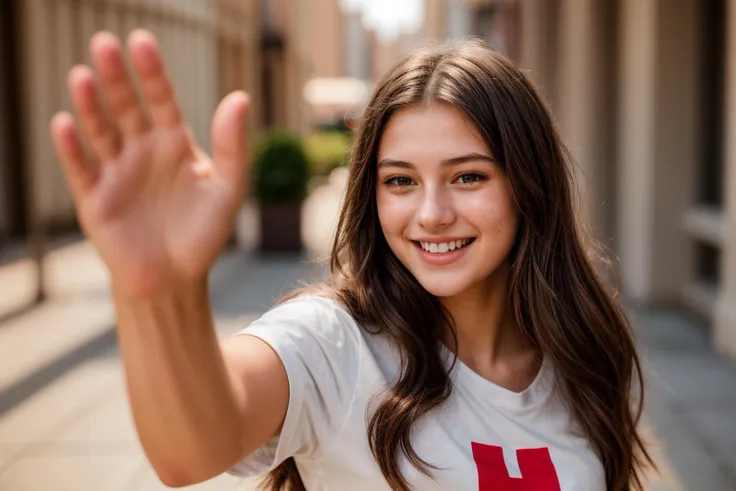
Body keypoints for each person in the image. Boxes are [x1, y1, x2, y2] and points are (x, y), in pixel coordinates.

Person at [50, 29, 655, 491]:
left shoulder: (583, 351)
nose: (432, 213)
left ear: (529, 184)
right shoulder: (335, 345)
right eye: (400, 181)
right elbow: (190, 445)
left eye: (468, 176)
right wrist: (158, 294)